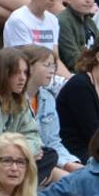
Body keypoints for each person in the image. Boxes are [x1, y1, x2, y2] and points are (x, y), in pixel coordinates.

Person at [0, 47, 60, 184]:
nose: (23, 78)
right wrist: (24, 155)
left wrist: (21, 154)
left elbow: (34, 136)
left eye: (26, 72)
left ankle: (13, 189)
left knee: (49, 155)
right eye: (16, 72)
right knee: (28, 163)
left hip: (10, 158)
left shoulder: (18, 97)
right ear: (3, 73)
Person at [18, 45, 83, 175]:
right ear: (28, 67)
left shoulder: (48, 98)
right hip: (22, 163)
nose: (52, 71)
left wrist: (71, 163)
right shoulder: (13, 99)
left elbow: (53, 141)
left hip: (46, 161)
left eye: (53, 66)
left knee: (83, 176)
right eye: (47, 65)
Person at [3, 0, 66, 78]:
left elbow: (55, 59)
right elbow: (27, 60)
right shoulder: (18, 19)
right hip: (23, 76)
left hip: (48, 75)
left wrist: (70, 79)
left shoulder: (53, 20)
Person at [56, 0, 98, 74]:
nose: (88, 0)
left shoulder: (89, 20)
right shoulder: (63, 21)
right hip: (75, 74)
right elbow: (73, 60)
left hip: (93, 70)